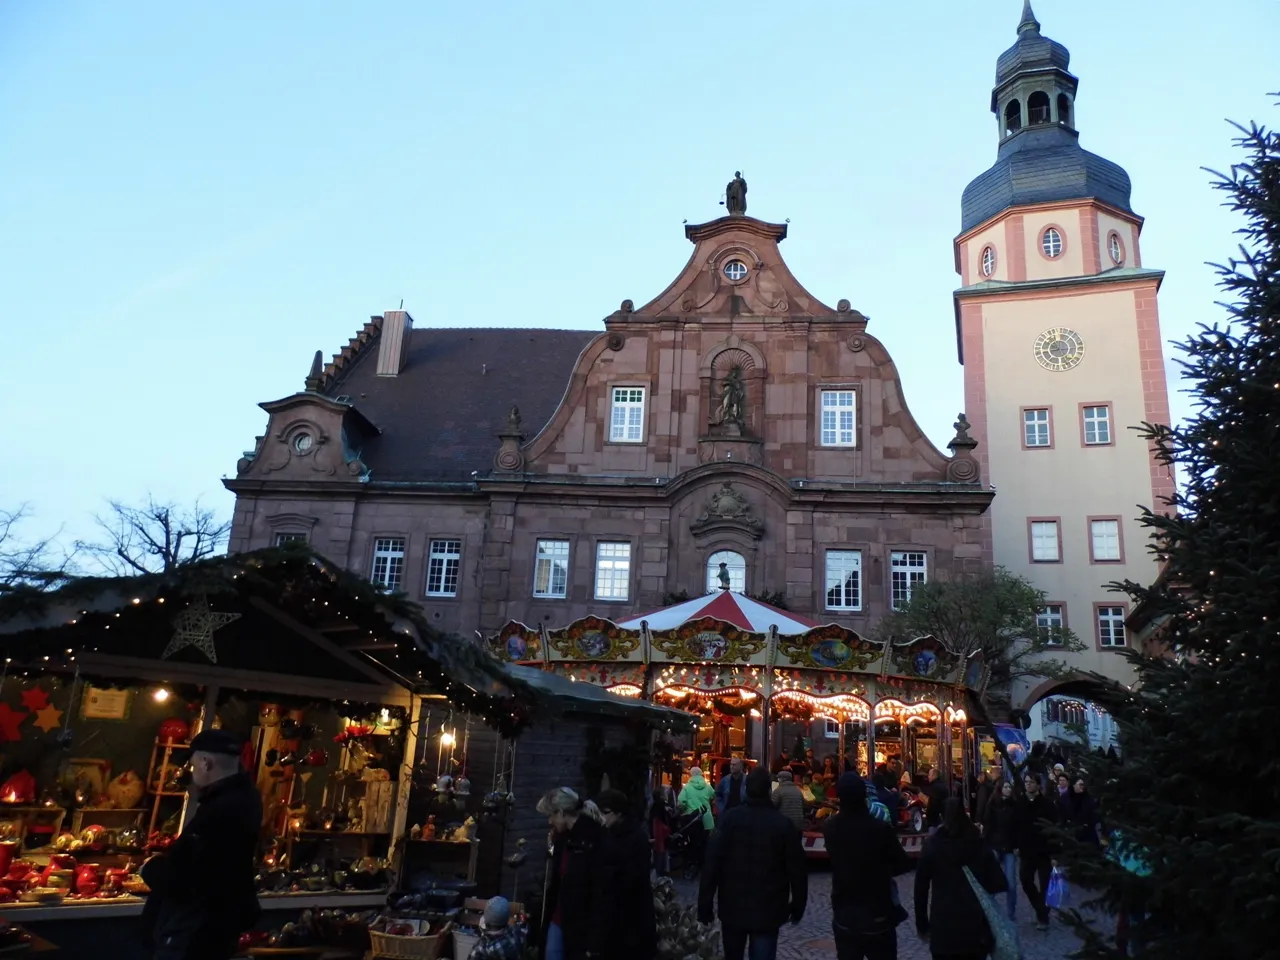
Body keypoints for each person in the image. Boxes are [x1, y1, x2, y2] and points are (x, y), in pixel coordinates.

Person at [139, 729, 262, 960]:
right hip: (213, 926)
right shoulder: (242, 799)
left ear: (206, 763)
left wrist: (151, 869)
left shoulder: (223, 807)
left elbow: (196, 877)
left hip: (194, 931)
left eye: (194, 766)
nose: (193, 773)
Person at [699, 768, 807, 960]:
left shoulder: (728, 820)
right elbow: (797, 870)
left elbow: (712, 864)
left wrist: (705, 904)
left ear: (746, 789)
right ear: (768, 790)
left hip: (733, 906)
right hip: (768, 908)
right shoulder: (782, 824)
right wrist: (798, 905)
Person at [823, 774, 912, 960]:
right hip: (878, 912)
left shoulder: (831, 828)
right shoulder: (880, 828)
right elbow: (902, 863)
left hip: (845, 912)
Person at [914, 798, 1008, 960]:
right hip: (975, 927)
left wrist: (922, 924)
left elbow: (920, 888)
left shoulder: (932, 846)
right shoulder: (979, 844)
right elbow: (997, 883)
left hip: (943, 926)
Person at [537, 787, 617, 960]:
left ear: (561, 813)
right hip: (561, 918)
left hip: (581, 923)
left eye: (551, 815)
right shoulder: (564, 839)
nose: (550, 821)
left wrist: (594, 941)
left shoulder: (595, 840)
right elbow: (557, 881)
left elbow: (602, 892)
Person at [597, 790, 657, 960]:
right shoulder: (608, 834)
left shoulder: (636, 838)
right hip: (615, 919)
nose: (602, 817)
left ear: (618, 812)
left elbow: (633, 879)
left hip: (632, 919)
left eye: (606, 813)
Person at [1015, 773, 1058, 930]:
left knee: (1045, 885)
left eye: (1031, 782)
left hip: (1044, 851)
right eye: (1026, 782)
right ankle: (1041, 909)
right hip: (1026, 851)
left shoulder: (1047, 805)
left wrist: (1054, 853)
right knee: (1026, 881)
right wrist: (1016, 845)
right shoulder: (1020, 803)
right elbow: (1015, 825)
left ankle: (1043, 917)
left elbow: (1054, 830)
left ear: (1038, 785)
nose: (1028, 784)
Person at [982, 779, 1019, 922]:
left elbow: (1018, 828)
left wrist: (1016, 845)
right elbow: (988, 826)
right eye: (1006, 787)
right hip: (995, 847)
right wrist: (988, 846)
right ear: (1000, 789)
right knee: (992, 881)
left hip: (1009, 847)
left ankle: (1011, 913)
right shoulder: (992, 805)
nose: (1009, 789)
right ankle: (990, 912)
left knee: (1011, 883)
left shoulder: (1014, 806)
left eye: (1010, 787)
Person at [678, 768, 715, 874]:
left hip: (692, 821)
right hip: (706, 820)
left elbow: (681, 803)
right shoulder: (708, 787)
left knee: (693, 843)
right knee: (705, 844)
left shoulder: (687, 788)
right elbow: (713, 797)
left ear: (691, 775)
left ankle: (693, 864)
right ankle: (704, 865)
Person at [924, 767, 949, 833]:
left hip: (935, 822)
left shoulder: (934, 788)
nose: (928, 777)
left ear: (934, 775)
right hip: (943, 819)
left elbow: (933, 805)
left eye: (929, 775)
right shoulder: (943, 785)